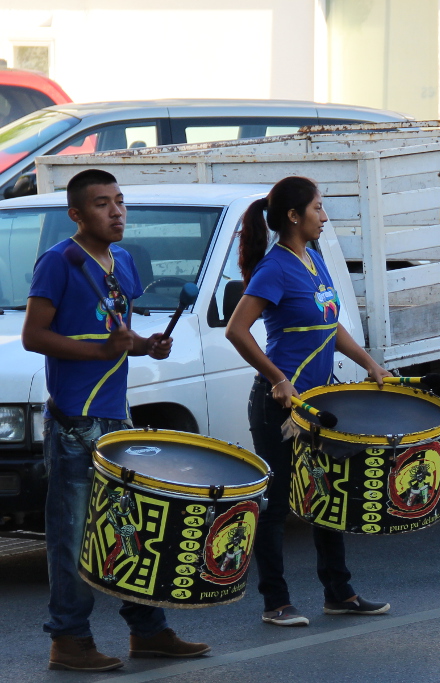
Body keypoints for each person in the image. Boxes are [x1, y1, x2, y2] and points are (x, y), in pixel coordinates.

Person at [23, 169, 209, 671]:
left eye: (120, 201)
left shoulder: (122, 261)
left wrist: (147, 345)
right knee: (72, 537)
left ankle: (148, 632)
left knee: (130, 527)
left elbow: (117, 333)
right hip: (74, 421)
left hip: (115, 416)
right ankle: (69, 640)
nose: (117, 212)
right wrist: (101, 351)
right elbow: (34, 336)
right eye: (102, 204)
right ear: (77, 214)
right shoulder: (58, 262)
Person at [225, 176, 392, 627]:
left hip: (317, 405)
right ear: (293, 216)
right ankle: (275, 602)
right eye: (318, 208)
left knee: (327, 496)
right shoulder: (274, 267)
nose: (324, 216)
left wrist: (370, 364)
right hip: (279, 406)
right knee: (277, 505)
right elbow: (237, 330)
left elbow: (330, 326)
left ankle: (339, 593)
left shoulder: (313, 259)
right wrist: (277, 379)